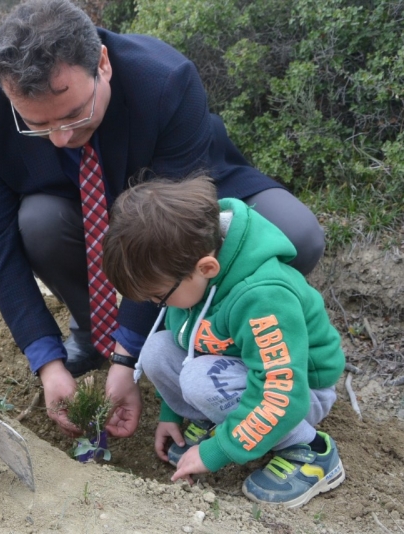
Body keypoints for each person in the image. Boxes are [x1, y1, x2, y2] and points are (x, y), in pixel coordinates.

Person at [0, 0, 326, 438]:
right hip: (73, 204)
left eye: (75, 115)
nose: (60, 139)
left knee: (298, 234)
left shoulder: (165, 80)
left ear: (103, 63)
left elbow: (168, 236)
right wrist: (47, 362)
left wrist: (128, 357)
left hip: (186, 195)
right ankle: (93, 331)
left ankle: (238, 333)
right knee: (37, 222)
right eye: (38, 125)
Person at [102, 175, 345, 508]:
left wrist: (217, 451)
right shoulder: (193, 275)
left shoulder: (262, 296)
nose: (160, 306)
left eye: (160, 297)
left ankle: (311, 451)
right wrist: (170, 413)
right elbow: (187, 343)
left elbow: (282, 391)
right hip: (241, 368)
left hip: (299, 391)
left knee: (199, 380)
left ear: (206, 267)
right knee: (156, 349)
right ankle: (214, 419)